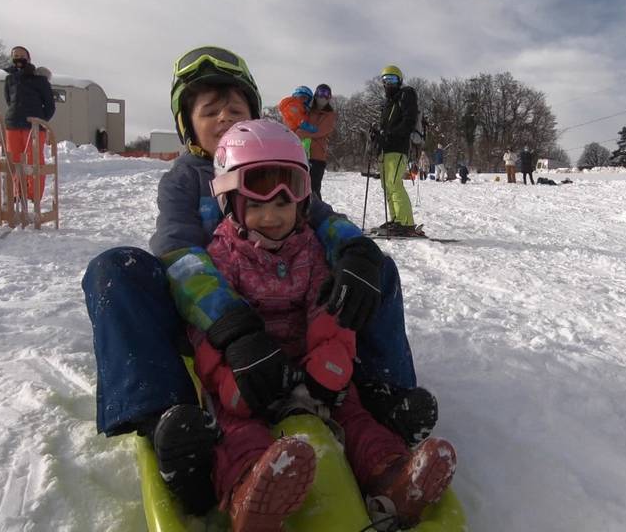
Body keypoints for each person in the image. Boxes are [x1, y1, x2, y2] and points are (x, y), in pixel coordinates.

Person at [81, 47, 437, 514]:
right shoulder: (185, 181)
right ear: (188, 125)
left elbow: (322, 220)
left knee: (374, 268)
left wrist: (356, 251)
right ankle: (170, 419)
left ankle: (381, 393)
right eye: (210, 110)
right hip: (213, 328)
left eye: (235, 107)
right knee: (115, 271)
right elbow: (178, 255)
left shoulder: (277, 161)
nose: (225, 115)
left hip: (290, 311)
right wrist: (233, 327)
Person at [195, 120, 456, 530]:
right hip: (250, 376)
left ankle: (392, 477)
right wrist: (231, 383)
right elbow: (206, 332)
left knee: (354, 417)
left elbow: (328, 311)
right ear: (230, 202)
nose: (273, 216)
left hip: (308, 367)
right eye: (259, 204)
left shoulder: (311, 249)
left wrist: (330, 366)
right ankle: (250, 493)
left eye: (285, 203)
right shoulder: (221, 256)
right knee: (238, 432)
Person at [372, 65, 422, 237]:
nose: (388, 83)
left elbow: (408, 121)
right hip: (385, 150)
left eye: (392, 79)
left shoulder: (406, 94)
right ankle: (396, 219)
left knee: (394, 184)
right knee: (387, 186)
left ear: (399, 80)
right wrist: (377, 136)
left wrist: (389, 134)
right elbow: (386, 127)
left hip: (398, 148)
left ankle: (406, 222)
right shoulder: (387, 104)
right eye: (385, 80)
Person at [3, 46, 55, 202]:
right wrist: (14, 114)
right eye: (15, 55)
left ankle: (34, 195)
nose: (19, 58)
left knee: (34, 161)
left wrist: (40, 120)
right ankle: (18, 193)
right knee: (15, 161)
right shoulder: (9, 79)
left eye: (22, 55)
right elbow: (8, 100)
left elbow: (50, 105)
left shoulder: (39, 80)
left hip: (33, 126)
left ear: (28, 58)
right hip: (13, 124)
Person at [295, 84, 336, 199]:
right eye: (320, 93)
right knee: (301, 188)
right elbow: (297, 124)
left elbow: (321, 131)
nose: (322, 97)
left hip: (318, 157)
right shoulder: (308, 111)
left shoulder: (330, 115)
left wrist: (303, 133)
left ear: (329, 97)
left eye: (326, 94)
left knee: (314, 188)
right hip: (303, 154)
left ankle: (317, 213)